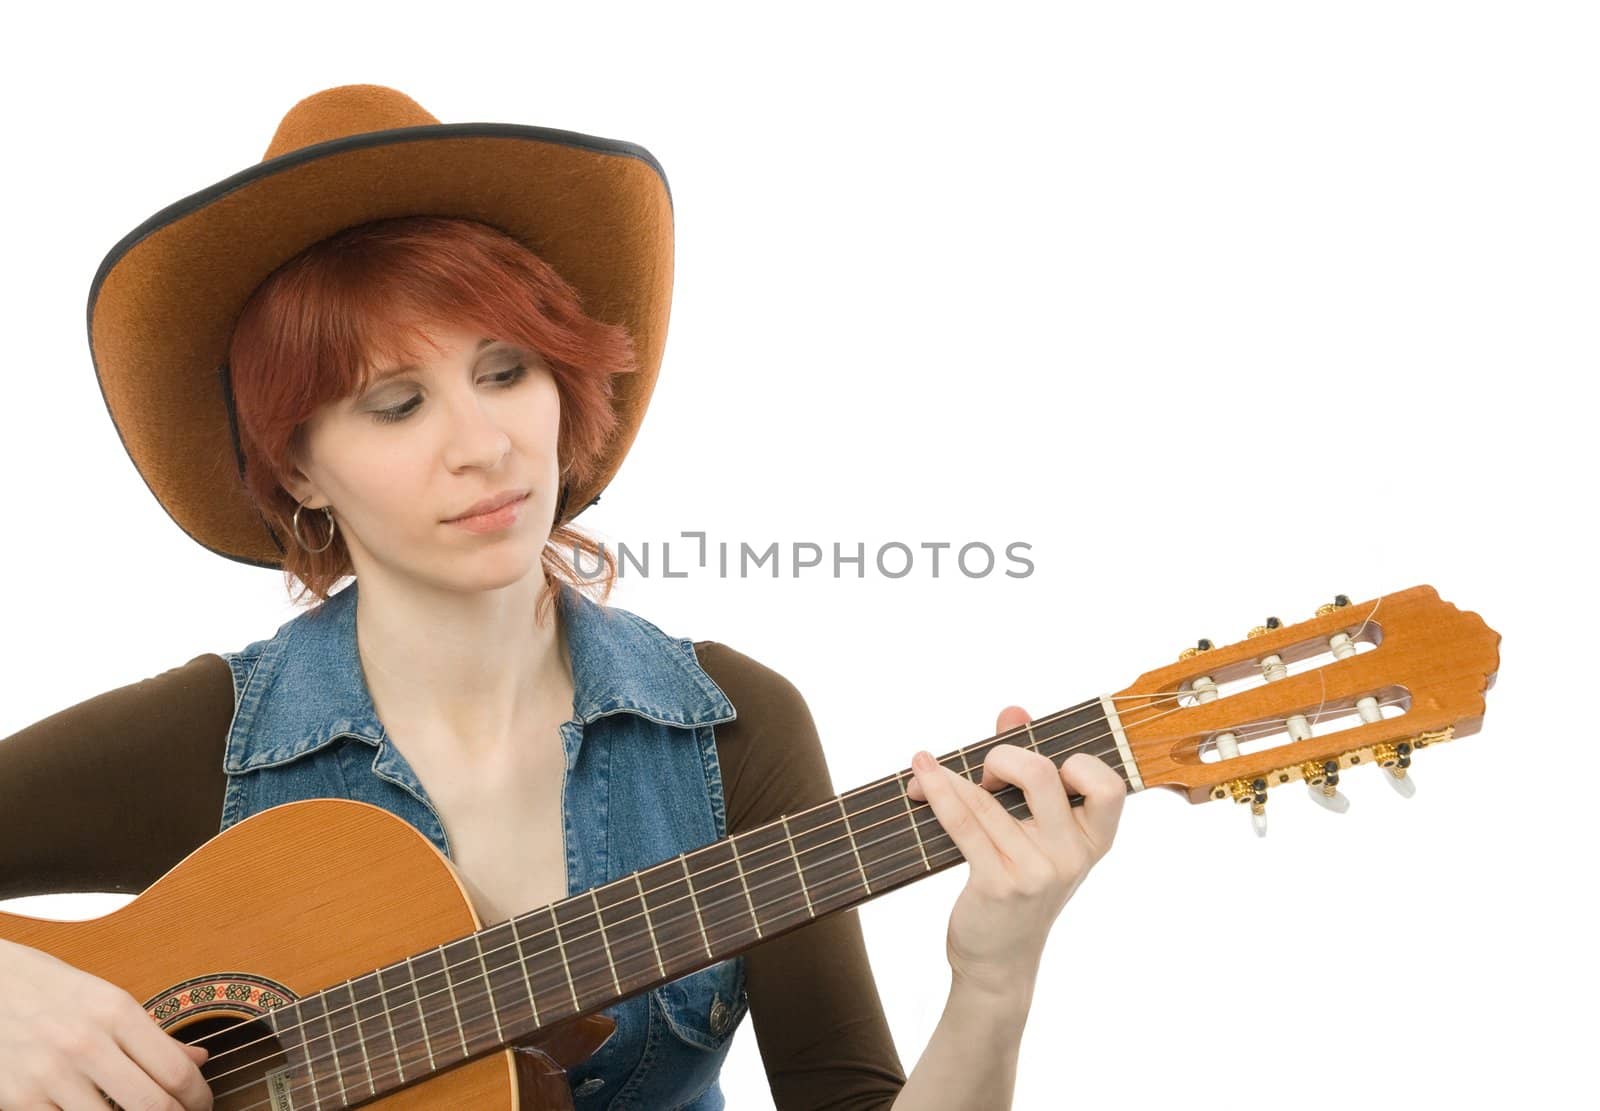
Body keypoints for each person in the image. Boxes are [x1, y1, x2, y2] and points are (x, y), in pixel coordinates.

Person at [0, 85, 1126, 1110]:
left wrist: (993, 974)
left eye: (506, 372)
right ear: (298, 467)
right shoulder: (209, 739)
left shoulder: (731, 725)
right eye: (397, 404)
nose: (485, 446)